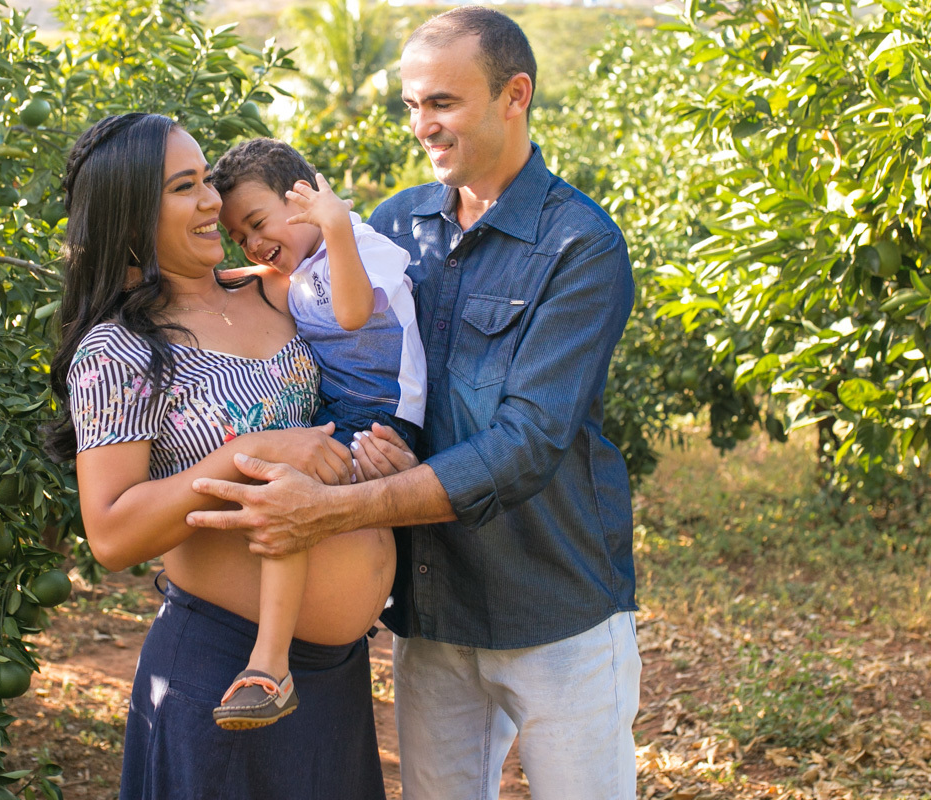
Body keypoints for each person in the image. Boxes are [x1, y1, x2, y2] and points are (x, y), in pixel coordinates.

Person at [187, 7, 640, 799]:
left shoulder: (579, 246)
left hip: (552, 605)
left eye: (443, 103)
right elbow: (360, 365)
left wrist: (345, 506)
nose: (423, 125)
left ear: (515, 95)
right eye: (411, 105)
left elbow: (525, 442)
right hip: (434, 608)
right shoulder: (396, 226)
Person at [43, 112, 392, 799]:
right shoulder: (122, 350)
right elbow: (112, 534)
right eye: (184, 187)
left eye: (206, 180)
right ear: (132, 212)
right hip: (226, 668)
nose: (211, 202)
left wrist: (391, 454)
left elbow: (364, 371)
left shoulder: (274, 288)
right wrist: (249, 452)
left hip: (333, 671)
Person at [207, 138, 426, 728]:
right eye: (238, 235)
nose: (251, 243)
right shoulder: (299, 267)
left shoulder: (358, 246)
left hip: (378, 422)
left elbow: (353, 313)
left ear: (304, 198)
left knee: (289, 494)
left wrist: (335, 228)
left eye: (256, 224)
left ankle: (270, 665)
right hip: (341, 413)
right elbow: (264, 279)